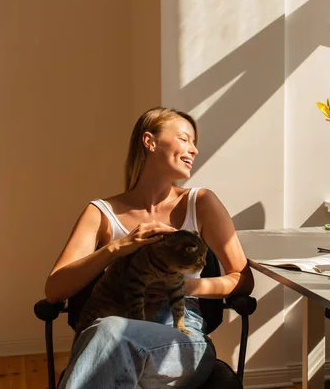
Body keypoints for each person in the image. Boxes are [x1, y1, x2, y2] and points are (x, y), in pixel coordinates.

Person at [44, 107, 255, 388]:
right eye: (184, 138)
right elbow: (54, 290)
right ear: (149, 141)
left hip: (181, 342)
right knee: (112, 336)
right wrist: (117, 248)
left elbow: (243, 278)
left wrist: (184, 287)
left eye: (194, 143)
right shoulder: (101, 213)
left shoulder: (200, 203)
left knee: (111, 338)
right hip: (110, 337)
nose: (193, 150)